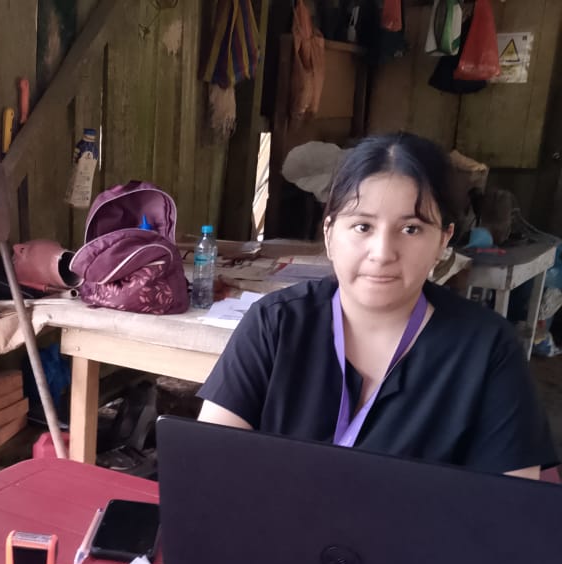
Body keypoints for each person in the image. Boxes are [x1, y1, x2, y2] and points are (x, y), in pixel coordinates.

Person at [197, 132, 557, 478]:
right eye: (362, 227)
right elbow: (210, 466)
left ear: (443, 240)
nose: (382, 253)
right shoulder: (274, 324)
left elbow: (511, 503)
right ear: (329, 234)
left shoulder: (487, 348)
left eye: (411, 229)